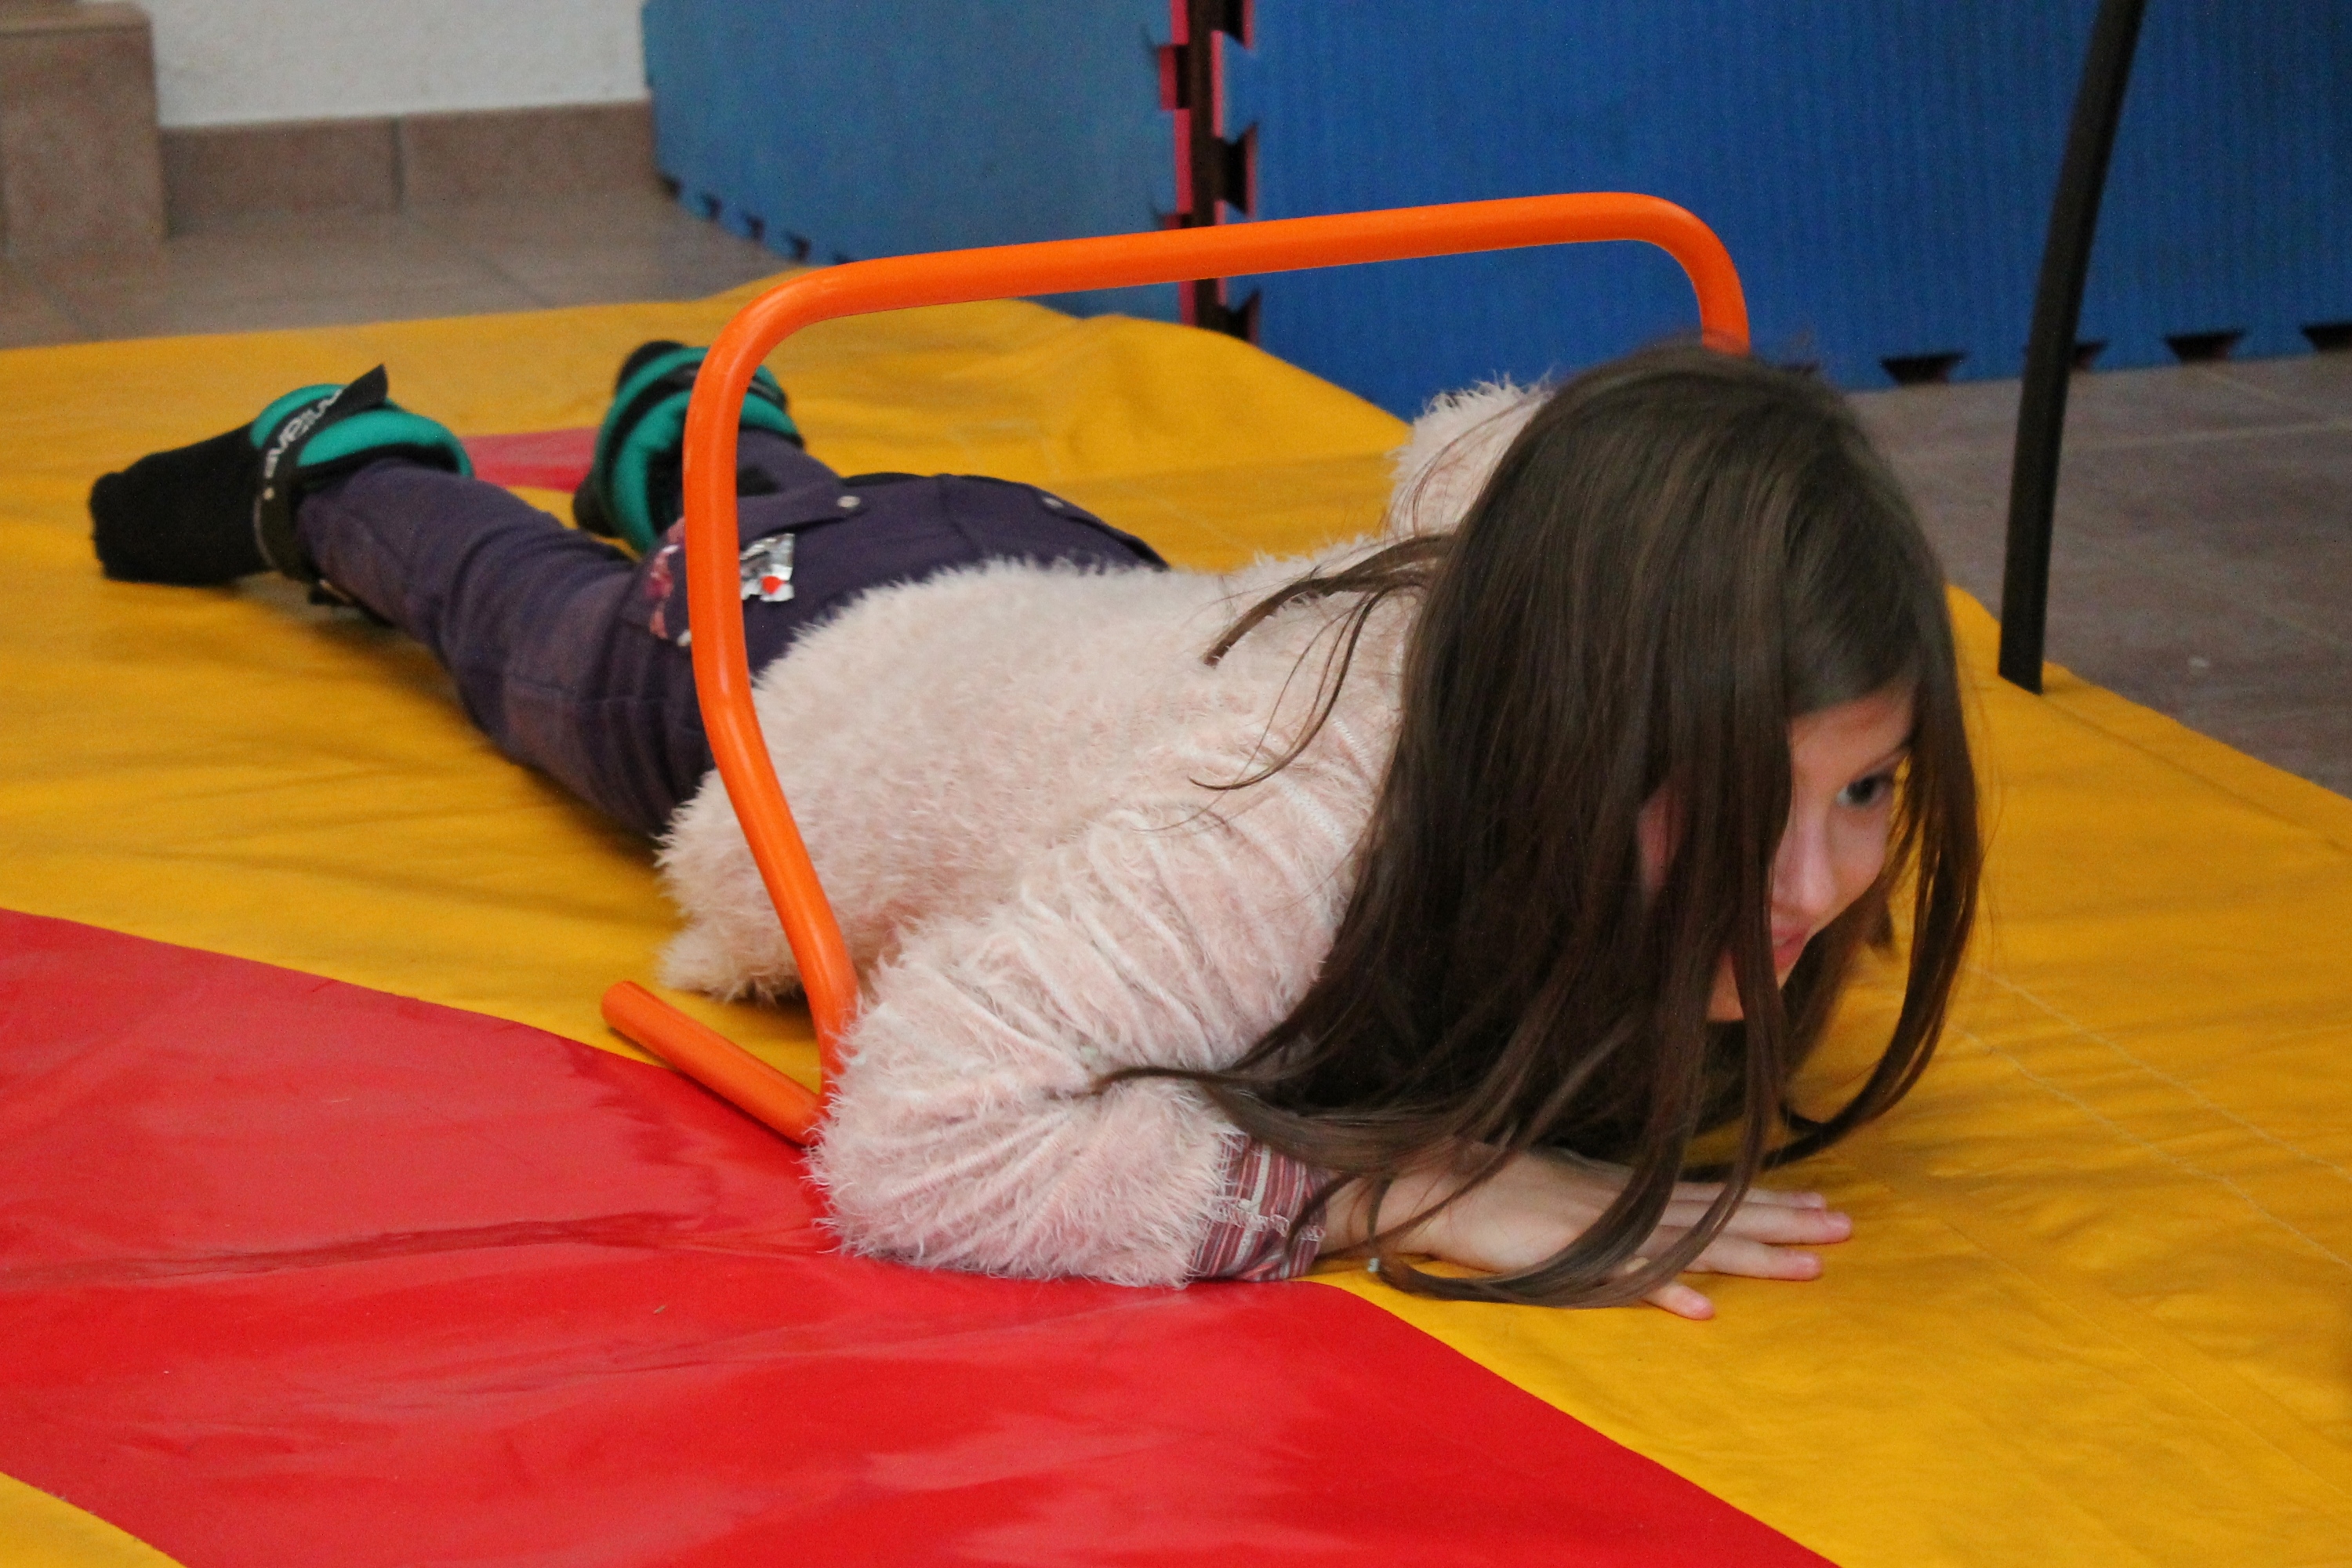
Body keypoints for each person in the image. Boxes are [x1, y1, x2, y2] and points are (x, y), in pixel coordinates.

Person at [89, 339, 1980, 1316]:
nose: (1819, 886)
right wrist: (1379, 1188)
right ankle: (340, 474)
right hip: (836, 669)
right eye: (1744, 809)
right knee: (547, 637)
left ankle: (697, 433)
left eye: (1867, 788)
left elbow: (1499, 450)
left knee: (788, 526)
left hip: (1054, 590)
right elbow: (919, 1140)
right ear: (1573, 725)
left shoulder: (1566, 585)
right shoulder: (1280, 836)